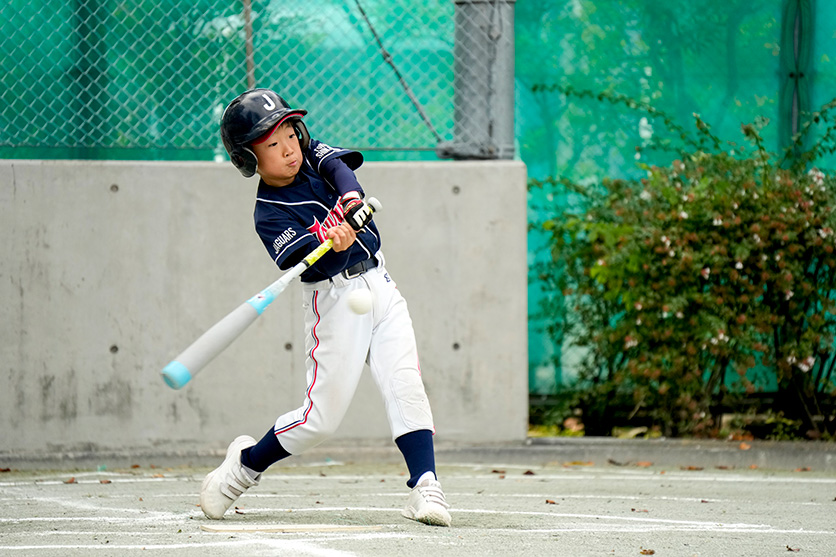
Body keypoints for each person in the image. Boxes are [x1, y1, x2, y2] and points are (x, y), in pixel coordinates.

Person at [199, 88, 451, 527]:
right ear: (248, 158)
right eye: (272, 145)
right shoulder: (269, 213)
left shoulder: (312, 154)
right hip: (334, 302)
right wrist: (332, 246)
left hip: (379, 282)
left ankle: (425, 486)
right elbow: (304, 264)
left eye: (290, 136)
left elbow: (339, 168)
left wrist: (352, 200)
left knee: (405, 383)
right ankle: (244, 466)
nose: (289, 150)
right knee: (319, 421)